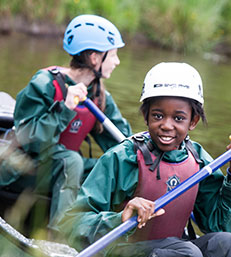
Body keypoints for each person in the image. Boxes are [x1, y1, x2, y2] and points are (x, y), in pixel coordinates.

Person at [60, 62, 231, 257]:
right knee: (188, 256)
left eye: (178, 118)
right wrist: (118, 218)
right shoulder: (122, 158)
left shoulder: (199, 160)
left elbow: (221, 226)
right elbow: (71, 223)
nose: (166, 125)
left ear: (193, 122)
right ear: (146, 116)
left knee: (227, 246)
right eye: (158, 115)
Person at [0, 14, 132, 232]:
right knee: (71, 161)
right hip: (20, 169)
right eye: (114, 54)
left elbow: (121, 142)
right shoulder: (44, 84)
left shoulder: (98, 96)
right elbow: (32, 140)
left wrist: (147, 157)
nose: (117, 61)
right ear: (94, 57)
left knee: (108, 166)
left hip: (56, 170)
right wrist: (65, 109)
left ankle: (105, 230)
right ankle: (60, 237)